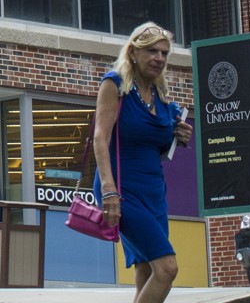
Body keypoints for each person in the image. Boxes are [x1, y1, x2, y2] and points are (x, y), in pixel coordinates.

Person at [93, 22, 193, 303]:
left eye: (164, 53)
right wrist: (108, 189)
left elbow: (157, 149)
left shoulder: (162, 99)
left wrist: (177, 136)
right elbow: (100, 138)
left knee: (147, 269)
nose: (159, 58)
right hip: (121, 189)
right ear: (133, 53)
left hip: (153, 191)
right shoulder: (115, 85)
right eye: (152, 51)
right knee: (167, 268)